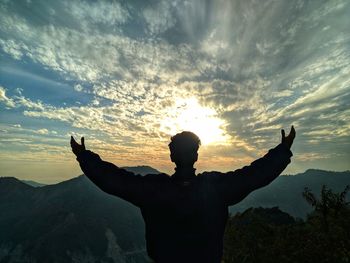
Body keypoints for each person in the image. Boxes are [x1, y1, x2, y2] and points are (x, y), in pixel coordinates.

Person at [71, 126, 295, 263]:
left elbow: (116, 181)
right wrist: (282, 151)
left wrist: (85, 157)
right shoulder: (216, 188)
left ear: (171, 156)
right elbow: (254, 176)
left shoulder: (153, 190)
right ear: (196, 155)